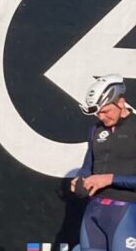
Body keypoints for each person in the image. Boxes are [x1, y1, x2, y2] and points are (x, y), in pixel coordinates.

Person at [74, 74, 136, 251]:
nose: (101, 117)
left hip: (127, 211)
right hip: (94, 211)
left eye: (106, 111)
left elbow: (106, 178)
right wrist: (80, 182)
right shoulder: (95, 130)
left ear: (121, 102)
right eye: (97, 113)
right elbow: (87, 168)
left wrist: (110, 179)